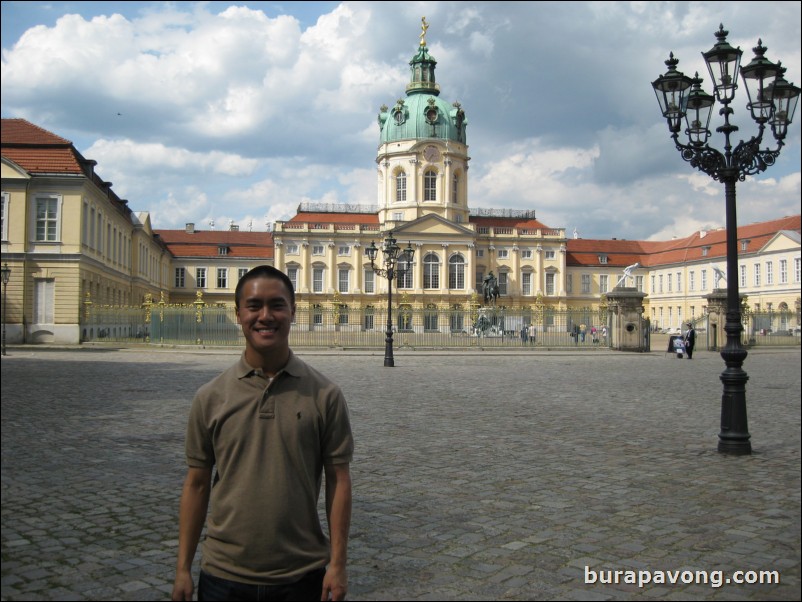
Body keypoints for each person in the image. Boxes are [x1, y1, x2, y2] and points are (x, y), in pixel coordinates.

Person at [172, 265, 354, 602]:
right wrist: (183, 568)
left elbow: (338, 480)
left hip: (301, 573)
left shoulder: (325, 395)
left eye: (277, 305)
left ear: (293, 311)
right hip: (223, 574)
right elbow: (196, 483)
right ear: (238, 313)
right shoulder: (210, 397)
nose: (265, 316)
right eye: (254, 306)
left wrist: (338, 564)